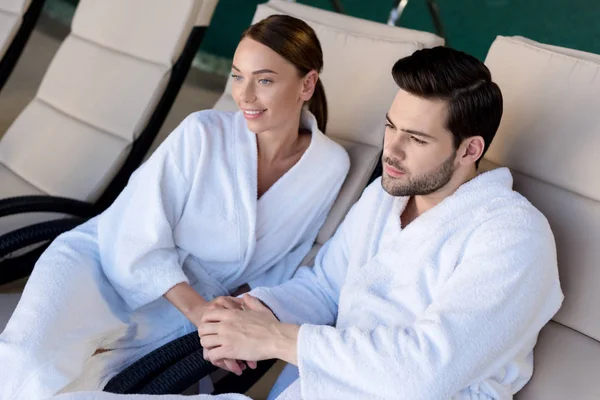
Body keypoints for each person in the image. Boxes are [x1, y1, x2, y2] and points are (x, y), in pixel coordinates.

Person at [0, 14, 349, 400]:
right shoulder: (201, 133)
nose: (244, 95)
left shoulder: (328, 167)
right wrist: (199, 311)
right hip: (99, 264)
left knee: (93, 384)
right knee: (24, 361)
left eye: (264, 80)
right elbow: (132, 231)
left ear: (307, 84)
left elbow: (284, 262)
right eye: (237, 76)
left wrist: (235, 315)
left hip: (187, 309)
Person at [192, 46, 564, 400]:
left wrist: (274, 338)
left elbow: (426, 372)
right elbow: (325, 288)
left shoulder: (513, 236)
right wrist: (251, 314)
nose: (392, 150)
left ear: (470, 150)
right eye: (391, 127)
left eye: (416, 139)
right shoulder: (387, 195)